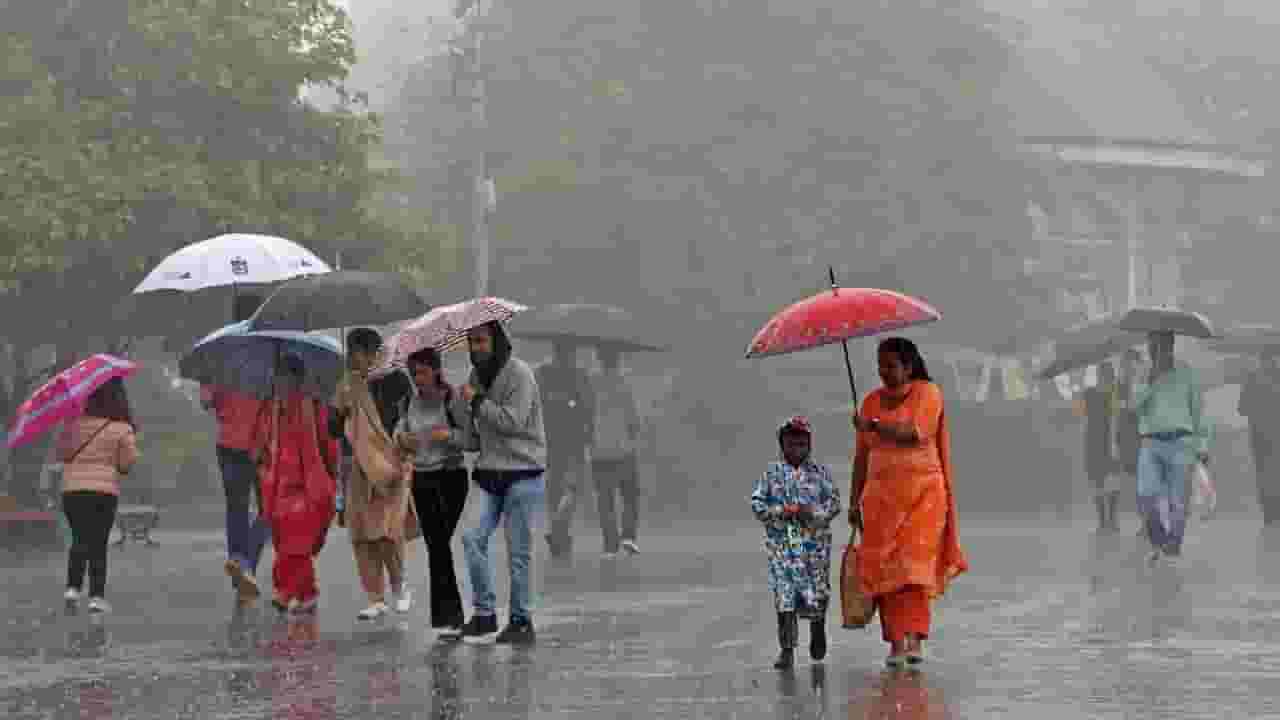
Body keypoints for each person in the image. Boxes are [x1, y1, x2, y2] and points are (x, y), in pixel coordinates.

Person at [851, 337, 967, 668]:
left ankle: (914, 639)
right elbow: (861, 457)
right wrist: (853, 501)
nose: (883, 371)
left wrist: (872, 425)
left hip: (923, 499)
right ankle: (895, 643)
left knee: (912, 571)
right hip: (880, 502)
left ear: (909, 365)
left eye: (890, 365)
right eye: (880, 365)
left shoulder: (929, 394)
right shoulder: (870, 401)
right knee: (886, 573)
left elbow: (917, 431)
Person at [455, 320, 547, 645]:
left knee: (517, 551)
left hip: (523, 472)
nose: (476, 348)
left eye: (481, 340)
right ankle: (484, 614)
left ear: (495, 341)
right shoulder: (474, 377)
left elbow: (513, 421)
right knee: (471, 538)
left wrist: (478, 402)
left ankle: (521, 620)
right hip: (489, 472)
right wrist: (461, 410)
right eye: (471, 342)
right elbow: (471, 440)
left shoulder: (520, 374)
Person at [332, 327, 419, 620]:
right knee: (361, 534)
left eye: (356, 352)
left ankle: (400, 587)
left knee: (387, 532)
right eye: (351, 352)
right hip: (359, 467)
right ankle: (375, 596)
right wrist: (340, 408)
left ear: (372, 353)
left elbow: (411, 419)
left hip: (392, 465)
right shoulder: (348, 385)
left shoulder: (397, 379)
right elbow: (334, 430)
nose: (352, 358)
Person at [750, 415, 840, 670]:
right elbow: (757, 503)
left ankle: (818, 629)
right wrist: (780, 512)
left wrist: (813, 513)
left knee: (817, 590)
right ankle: (787, 648)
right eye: (791, 443)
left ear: (809, 444)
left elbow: (833, 503)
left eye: (801, 443)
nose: (796, 449)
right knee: (785, 594)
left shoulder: (820, 473)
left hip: (815, 545)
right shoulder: (771, 474)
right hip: (784, 544)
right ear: (782, 444)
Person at [394, 347, 472, 637]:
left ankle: (450, 618)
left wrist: (448, 436)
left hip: (451, 478)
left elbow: (470, 439)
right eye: (413, 373)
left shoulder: (452, 401)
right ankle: (449, 619)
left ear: (437, 371)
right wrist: (403, 440)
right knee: (436, 547)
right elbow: (397, 435)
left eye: (423, 372)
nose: (418, 378)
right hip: (422, 479)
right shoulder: (406, 404)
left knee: (439, 545)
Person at [254, 354, 338, 615]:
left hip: (307, 485)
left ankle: (291, 591)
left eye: (284, 376)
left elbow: (329, 445)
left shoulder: (314, 407)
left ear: (296, 378)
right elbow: (261, 444)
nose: (279, 382)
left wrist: (332, 477)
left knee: (297, 544)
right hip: (277, 486)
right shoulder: (271, 409)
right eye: (277, 376)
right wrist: (260, 456)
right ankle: (301, 591)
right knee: (283, 543)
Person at [59, 377, 139, 614]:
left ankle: (72, 589)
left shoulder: (72, 424)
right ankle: (96, 597)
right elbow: (128, 462)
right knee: (98, 542)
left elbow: (62, 453)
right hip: (103, 492)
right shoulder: (121, 428)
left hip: (72, 490)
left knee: (78, 538)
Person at [1134, 331, 1209, 566]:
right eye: (1152, 345)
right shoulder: (1144, 373)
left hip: (1181, 442)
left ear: (1170, 346)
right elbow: (1133, 405)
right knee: (1146, 494)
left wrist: (1202, 445)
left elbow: (1199, 412)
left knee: (1178, 500)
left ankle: (1173, 544)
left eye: (1160, 345)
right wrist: (1151, 381)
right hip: (1150, 442)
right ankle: (1159, 538)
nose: (1155, 350)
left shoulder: (1187, 372)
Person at [200, 382, 270, 606]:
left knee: (236, 508)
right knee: (268, 510)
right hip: (263, 447)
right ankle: (246, 565)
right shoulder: (269, 365)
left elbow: (206, 401)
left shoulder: (223, 366)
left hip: (229, 444)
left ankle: (239, 562)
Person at [534, 340, 595, 560]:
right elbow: (588, 407)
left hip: (550, 438)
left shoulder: (541, 373)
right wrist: (590, 434)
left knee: (555, 487)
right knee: (573, 487)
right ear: (572, 352)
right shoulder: (579, 376)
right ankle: (559, 528)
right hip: (574, 438)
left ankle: (557, 530)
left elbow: (534, 404)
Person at [591, 346, 645, 556]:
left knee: (605, 500)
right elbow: (633, 418)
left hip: (598, 451)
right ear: (618, 359)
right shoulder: (625, 384)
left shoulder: (591, 383)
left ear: (599, 358)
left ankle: (609, 543)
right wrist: (633, 436)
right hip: (624, 450)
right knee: (630, 496)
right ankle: (628, 536)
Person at [1239, 350, 1280, 526]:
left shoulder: (1252, 379)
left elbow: (1242, 408)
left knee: (1263, 473)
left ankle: (1269, 512)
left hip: (1259, 435)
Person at [1081, 362, 1119, 533]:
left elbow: (1113, 418)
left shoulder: (1110, 394)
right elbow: (1083, 415)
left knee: (1108, 481)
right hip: (1098, 441)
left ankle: (1108, 521)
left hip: (1102, 440)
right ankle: (1105, 521)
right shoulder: (1093, 394)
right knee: (1100, 481)